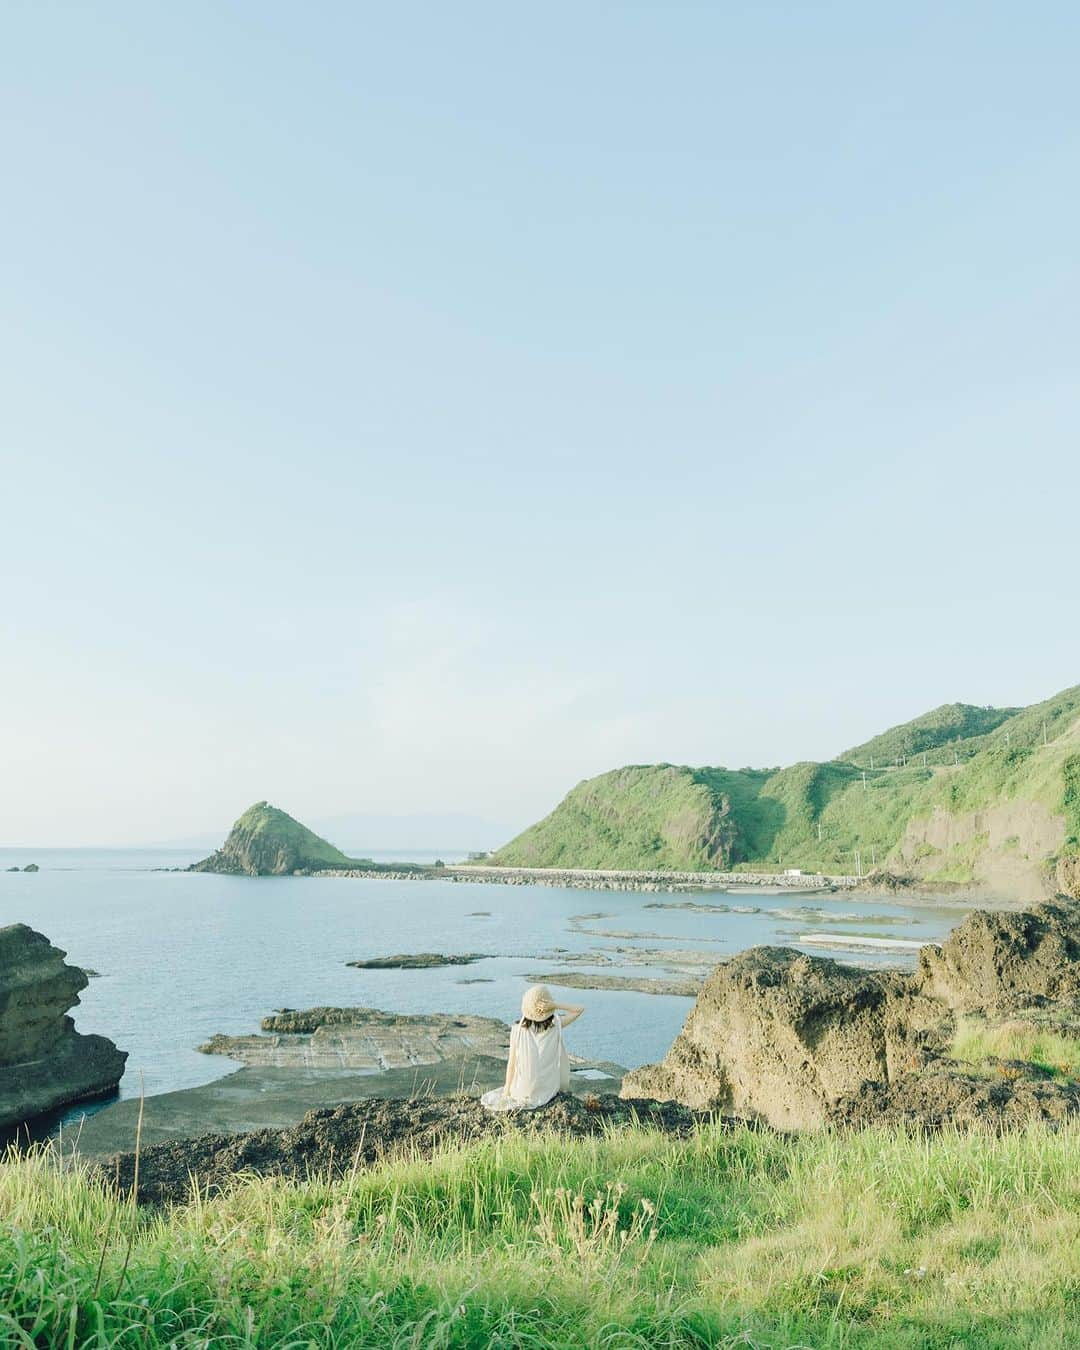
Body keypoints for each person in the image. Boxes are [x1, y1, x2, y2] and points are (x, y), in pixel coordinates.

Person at [480, 984, 584, 1112]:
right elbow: (579, 1009)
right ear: (548, 1008)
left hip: (521, 1092)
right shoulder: (556, 1025)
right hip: (546, 1092)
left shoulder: (516, 1031)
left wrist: (506, 1092)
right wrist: (555, 1005)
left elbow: (511, 1065)